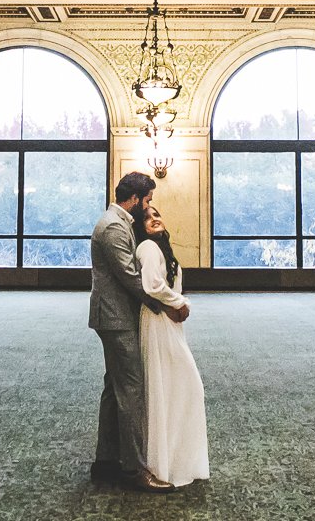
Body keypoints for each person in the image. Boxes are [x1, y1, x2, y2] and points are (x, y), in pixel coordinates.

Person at [88, 171, 188, 493]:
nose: (148, 206)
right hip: (116, 320)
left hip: (114, 317)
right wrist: (166, 306)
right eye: (147, 200)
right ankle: (134, 470)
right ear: (133, 198)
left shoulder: (117, 222)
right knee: (131, 390)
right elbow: (131, 278)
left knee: (113, 388)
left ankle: (105, 461)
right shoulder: (114, 226)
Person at [133, 203, 209, 488]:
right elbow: (153, 286)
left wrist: (177, 306)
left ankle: (177, 461)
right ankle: (162, 463)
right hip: (157, 322)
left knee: (175, 387)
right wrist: (180, 303)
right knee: (180, 385)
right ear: (139, 227)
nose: (154, 219)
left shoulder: (162, 248)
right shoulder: (148, 249)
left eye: (156, 214)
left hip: (170, 324)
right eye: (146, 217)